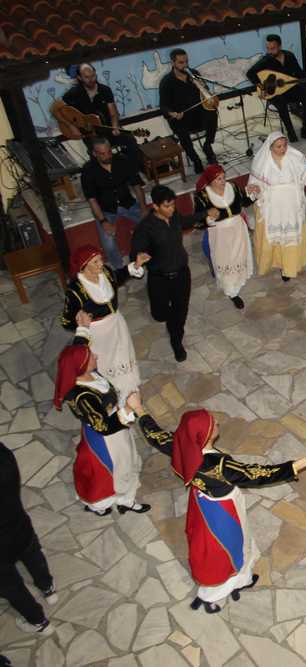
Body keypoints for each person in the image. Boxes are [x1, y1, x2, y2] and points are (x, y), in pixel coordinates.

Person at [135, 406, 306, 613]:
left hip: (203, 502)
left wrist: (139, 409)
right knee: (228, 549)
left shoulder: (181, 445)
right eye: (212, 423)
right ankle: (211, 595)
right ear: (205, 435)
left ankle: (240, 580)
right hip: (224, 510)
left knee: (222, 546)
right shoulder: (218, 465)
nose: (217, 423)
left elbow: (155, 435)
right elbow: (259, 474)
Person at [53, 343, 150, 517]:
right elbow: (103, 426)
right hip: (106, 440)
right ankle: (100, 505)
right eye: (91, 356)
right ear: (81, 365)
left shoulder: (89, 375)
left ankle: (125, 501)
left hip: (116, 426)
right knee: (113, 471)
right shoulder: (83, 397)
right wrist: (129, 408)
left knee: (126, 462)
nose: (96, 356)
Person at [130, 185, 212, 362]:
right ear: (155, 206)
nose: (172, 209)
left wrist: (205, 214)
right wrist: (138, 260)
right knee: (159, 314)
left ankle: (176, 341)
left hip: (182, 274)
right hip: (159, 279)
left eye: (173, 205)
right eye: (167, 206)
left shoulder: (174, 216)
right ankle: (168, 319)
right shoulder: (145, 228)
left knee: (180, 312)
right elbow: (135, 253)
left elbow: (185, 221)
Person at [60, 245, 146, 396]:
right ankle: (114, 390)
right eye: (95, 262)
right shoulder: (75, 289)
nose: (101, 263)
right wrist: (80, 320)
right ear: (84, 266)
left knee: (122, 353)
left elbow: (117, 277)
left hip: (116, 323)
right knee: (107, 360)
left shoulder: (105, 272)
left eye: (100, 259)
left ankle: (129, 386)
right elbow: (67, 320)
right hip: (98, 333)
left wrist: (136, 265)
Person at [248, 132, 306, 284]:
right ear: (270, 147)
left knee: (290, 238)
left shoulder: (295, 158)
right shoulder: (261, 163)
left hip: (292, 206)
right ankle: (277, 263)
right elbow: (255, 186)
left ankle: (289, 267)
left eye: (284, 145)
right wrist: (255, 190)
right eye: (278, 147)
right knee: (276, 237)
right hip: (273, 208)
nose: (283, 149)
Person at [1, 442, 58, 636]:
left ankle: (39, 622)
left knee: (10, 586)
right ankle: (48, 588)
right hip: (18, 526)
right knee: (33, 556)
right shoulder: (3, 457)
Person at [193, 165, 254, 309]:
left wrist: (252, 194)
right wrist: (208, 218)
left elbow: (244, 202)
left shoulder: (233, 187)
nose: (223, 181)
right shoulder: (202, 196)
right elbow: (198, 221)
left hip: (238, 228)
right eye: (218, 179)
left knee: (239, 256)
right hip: (220, 233)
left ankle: (238, 280)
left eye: (223, 177)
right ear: (210, 181)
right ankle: (231, 291)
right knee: (225, 259)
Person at [80, 137, 145, 271]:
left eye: (109, 152)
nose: (108, 156)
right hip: (106, 210)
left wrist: (143, 208)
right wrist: (103, 221)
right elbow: (92, 200)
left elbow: (137, 185)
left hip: (128, 204)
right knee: (108, 243)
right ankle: (120, 270)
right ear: (95, 154)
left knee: (153, 222)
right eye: (102, 154)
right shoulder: (88, 170)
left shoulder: (123, 161)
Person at [246, 34, 306, 143]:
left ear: (279, 46)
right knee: (281, 103)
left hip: (290, 87)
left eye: (273, 48)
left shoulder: (289, 56)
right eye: (268, 48)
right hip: (274, 92)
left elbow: (299, 73)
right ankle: (290, 132)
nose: (270, 51)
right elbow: (250, 73)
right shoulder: (266, 60)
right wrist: (262, 87)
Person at [159, 48, 218, 172]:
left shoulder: (194, 74)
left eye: (186, 62)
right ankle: (195, 160)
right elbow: (163, 106)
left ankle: (207, 146)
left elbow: (205, 92)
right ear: (173, 63)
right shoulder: (167, 81)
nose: (185, 65)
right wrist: (172, 113)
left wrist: (205, 90)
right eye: (181, 62)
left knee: (212, 113)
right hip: (180, 117)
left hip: (198, 113)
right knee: (182, 133)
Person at [60, 63, 138, 156]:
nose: (91, 80)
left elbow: (113, 113)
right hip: (90, 134)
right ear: (79, 78)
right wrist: (71, 126)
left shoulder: (105, 90)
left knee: (130, 139)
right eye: (87, 77)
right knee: (98, 151)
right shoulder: (73, 94)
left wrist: (115, 126)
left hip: (108, 129)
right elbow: (58, 111)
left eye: (93, 76)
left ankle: (134, 164)